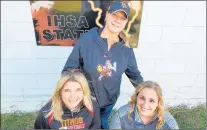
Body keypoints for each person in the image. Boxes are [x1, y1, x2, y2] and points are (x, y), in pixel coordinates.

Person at [62, 1, 143, 129]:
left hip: (109, 101)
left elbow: (134, 74)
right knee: (84, 124)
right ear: (107, 15)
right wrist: (74, 92)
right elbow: (68, 69)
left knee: (103, 123)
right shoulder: (87, 40)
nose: (117, 20)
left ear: (125, 23)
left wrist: (146, 91)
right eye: (115, 15)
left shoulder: (126, 48)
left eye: (122, 18)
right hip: (86, 101)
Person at [34, 69, 101, 129]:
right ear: (60, 92)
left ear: (84, 91)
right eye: (67, 90)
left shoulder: (92, 106)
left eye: (78, 90)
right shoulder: (46, 113)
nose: (73, 96)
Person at [109, 81, 179, 129]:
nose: (145, 105)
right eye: (142, 98)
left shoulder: (168, 122)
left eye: (151, 101)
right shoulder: (121, 115)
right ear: (136, 97)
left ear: (158, 102)